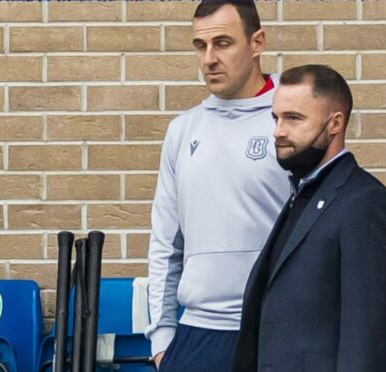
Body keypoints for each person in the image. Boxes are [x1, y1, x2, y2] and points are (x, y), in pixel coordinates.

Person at [232, 64, 386, 372]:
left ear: (335, 123)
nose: (278, 131)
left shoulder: (365, 202)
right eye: (276, 118)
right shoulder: (302, 193)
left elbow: (366, 339)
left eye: (294, 118)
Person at [145, 0, 290, 371]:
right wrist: (162, 339)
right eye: (200, 45)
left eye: (223, 43)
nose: (209, 58)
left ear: (257, 42)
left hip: (275, 332)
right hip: (197, 334)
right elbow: (165, 240)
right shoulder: (183, 129)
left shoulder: (292, 121)